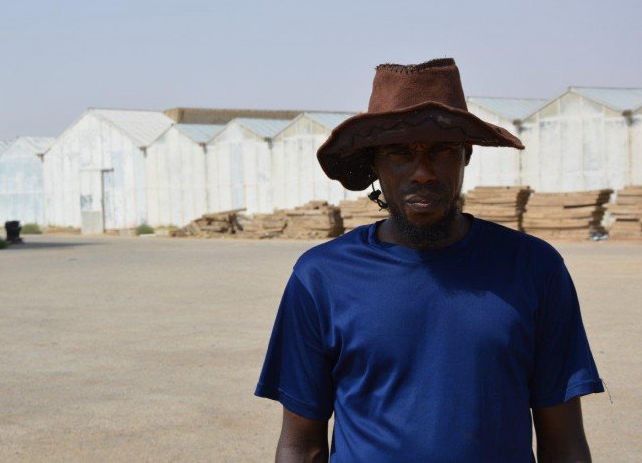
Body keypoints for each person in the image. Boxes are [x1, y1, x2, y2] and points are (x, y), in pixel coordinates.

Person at [254, 58, 605, 462]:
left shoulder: (534, 268)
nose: (422, 172)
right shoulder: (321, 277)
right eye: (399, 153)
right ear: (374, 163)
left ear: (466, 155)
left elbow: (563, 440)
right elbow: (301, 443)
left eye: (441, 150)